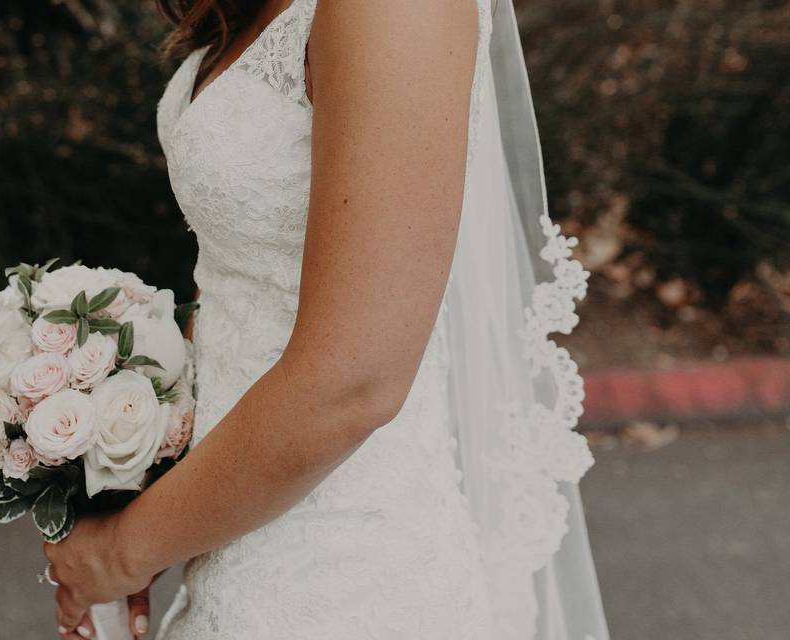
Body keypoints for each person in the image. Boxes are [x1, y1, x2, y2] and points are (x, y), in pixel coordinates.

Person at [45, 0, 611, 638]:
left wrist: (121, 551)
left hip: (345, 572)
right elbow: (237, 281)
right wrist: (137, 462)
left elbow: (355, 381)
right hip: (230, 525)